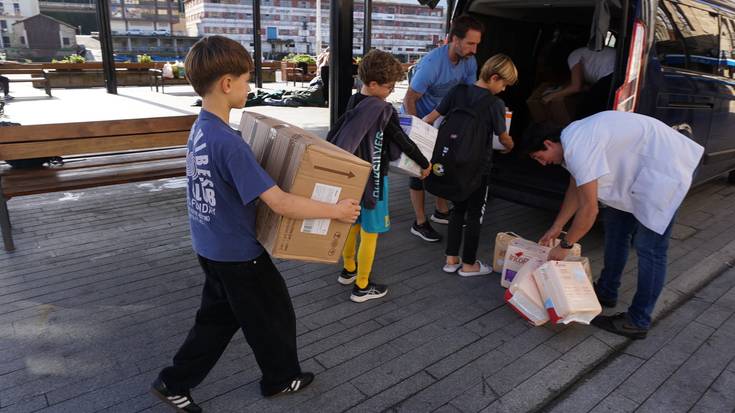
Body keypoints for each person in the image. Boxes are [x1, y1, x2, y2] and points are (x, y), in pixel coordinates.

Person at [151, 36, 361, 412]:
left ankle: (174, 381)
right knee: (272, 314)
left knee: (218, 319)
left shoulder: (202, 128)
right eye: (247, 79)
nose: (250, 87)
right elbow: (279, 202)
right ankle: (279, 379)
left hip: (211, 246)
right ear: (227, 84)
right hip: (237, 255)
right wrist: (337, 211)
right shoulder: (230, 144)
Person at [524, 111, 704, 340]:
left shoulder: (577, 146)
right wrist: (557, 225)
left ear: (549, 143)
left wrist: (566, 245)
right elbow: (576, 187)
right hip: (640, 171)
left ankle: (637, 321)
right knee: (616, 229)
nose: (542, 164)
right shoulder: (571, 141)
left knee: (650, 248)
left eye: (540, 156)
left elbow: (589, 210)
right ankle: (606, 292)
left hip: (669, 166)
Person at [327, 50, 431, 302]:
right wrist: (424, 163)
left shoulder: (354, 101)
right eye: (389, 87)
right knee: (370, 231)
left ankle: (349, 269)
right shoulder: (382, 109)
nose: (391, 92)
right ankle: (362, 285)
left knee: (352, 223)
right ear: (372, 84)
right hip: (373, 180)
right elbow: (401, 140)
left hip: (353, 178)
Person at [423, 54, 517, 277]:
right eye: (504, 84)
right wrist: (511, 145)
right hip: (477, 169)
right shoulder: (495, 104)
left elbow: (430, 118)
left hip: (450, 164)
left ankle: (451, 259)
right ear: (494, 77)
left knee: (457, 210)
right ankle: (468, 264)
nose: (503, 89)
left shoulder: (457, 91)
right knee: (475, 215)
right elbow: (502, 138)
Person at [401, 14, 483, 243]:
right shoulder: (431, 65)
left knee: (441, 165)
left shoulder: (469, 62)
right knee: (419, 168)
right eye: (470, 43)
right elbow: (410, 100)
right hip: (419, 117)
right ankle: (419, 222)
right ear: (454, 39)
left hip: (442, 119)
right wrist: (416, 135)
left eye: (477, 44)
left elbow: (469, 94)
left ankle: (440, 210)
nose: (474, 49)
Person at [541, 46, 615, 119]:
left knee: (584, 112)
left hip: (612, 72)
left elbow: (576, 87)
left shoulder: (573, 57)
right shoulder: (584, 53)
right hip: (617, 68)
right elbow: (585, 87)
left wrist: (550, 96)